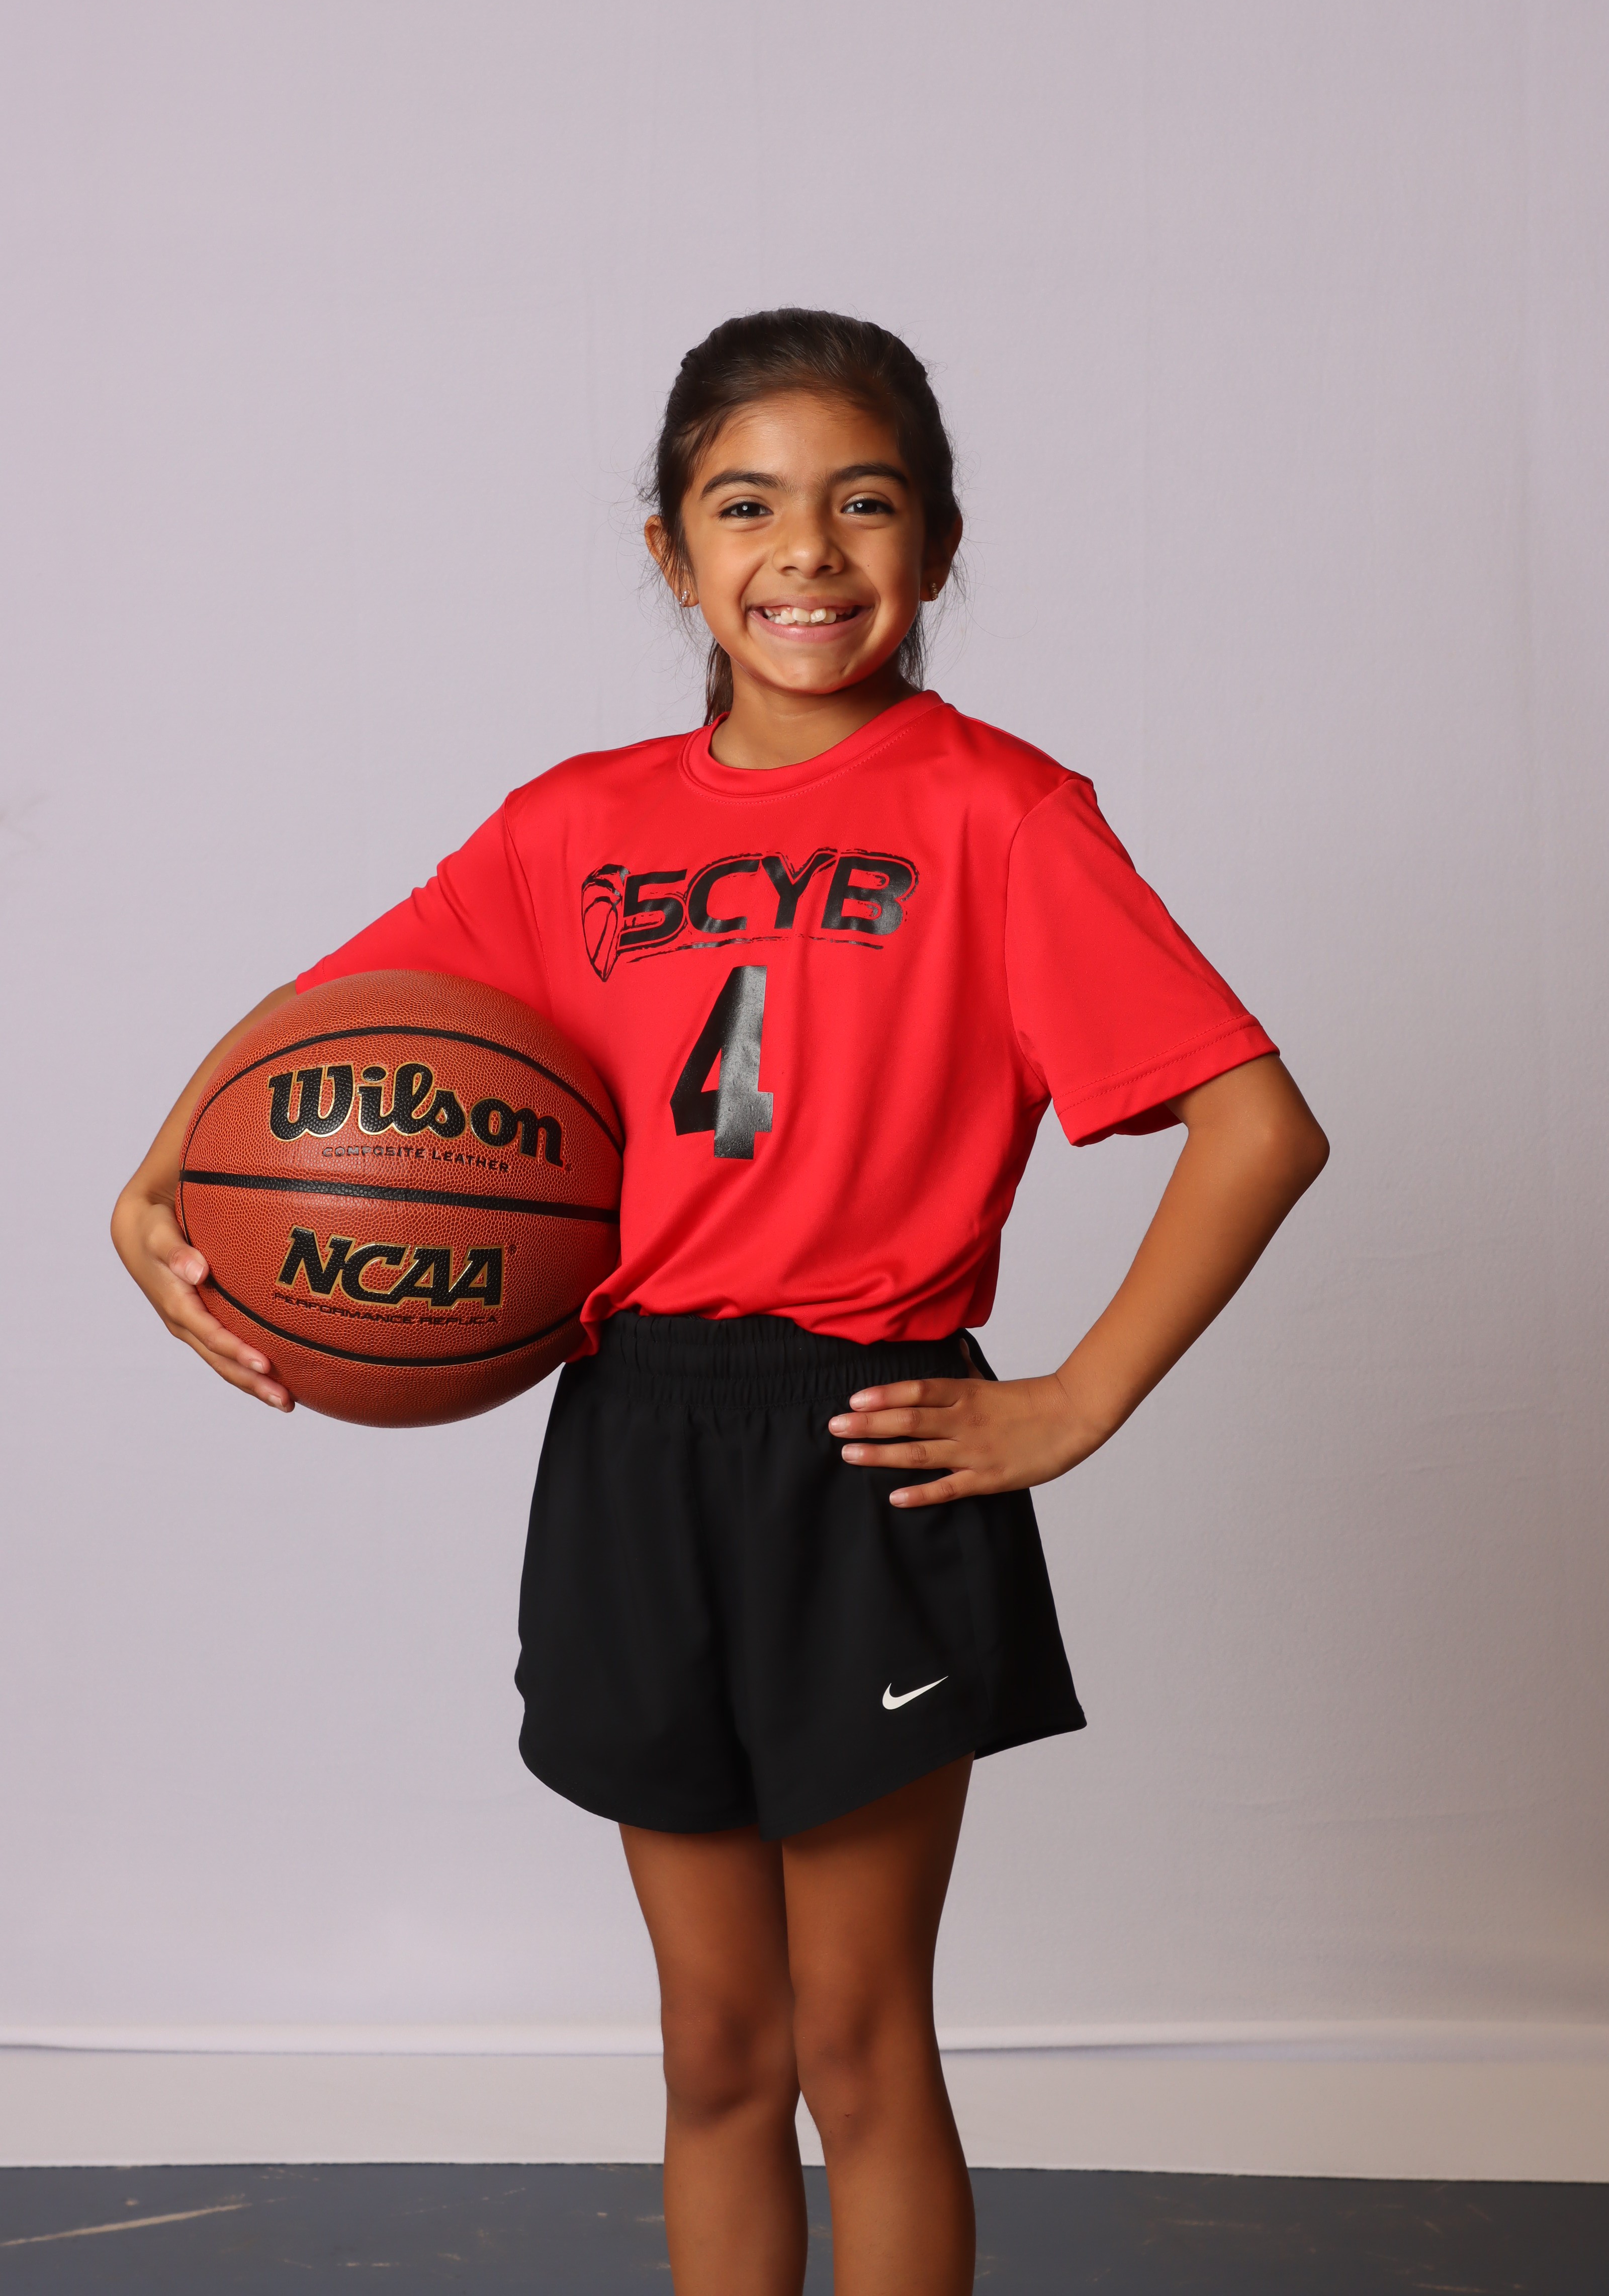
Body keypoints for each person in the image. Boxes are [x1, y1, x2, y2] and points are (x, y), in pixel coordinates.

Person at [112, 308, 1328, 2296]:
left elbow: (1255, 1125)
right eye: (745, 506)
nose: (806, 552)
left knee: (860, 2046)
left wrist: (1074, 1397)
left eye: (865, 505)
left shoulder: (996, 812)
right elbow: (314, 1027)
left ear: (938, 545)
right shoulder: (573, 828)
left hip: (865, 1446)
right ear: (672, 552)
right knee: (714, 2052)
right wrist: (157, 1182)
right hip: (631, 1440)